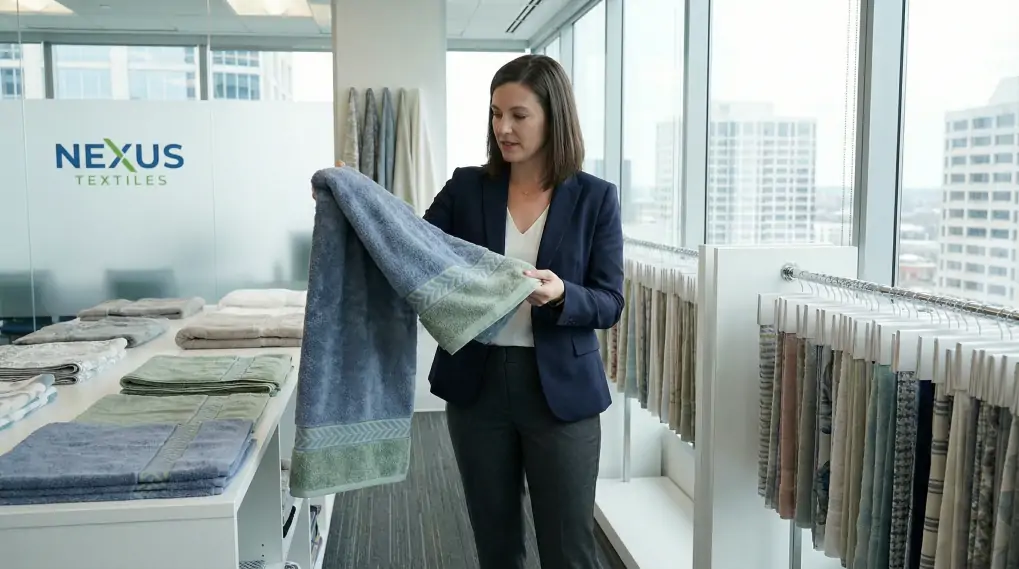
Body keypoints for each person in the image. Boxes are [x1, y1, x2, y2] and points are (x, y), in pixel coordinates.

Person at [423, 54, 624, 569]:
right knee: (496, 545)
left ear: (553, 116)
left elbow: (609, 300)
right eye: (495, 114)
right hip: (477, 385)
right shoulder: (467, 188)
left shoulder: (595, 198)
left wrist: (562, 295)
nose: (503, 128)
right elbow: (410, 246)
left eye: (518, 115)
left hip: (561, 393)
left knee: (569, 549)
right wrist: (349, 198)